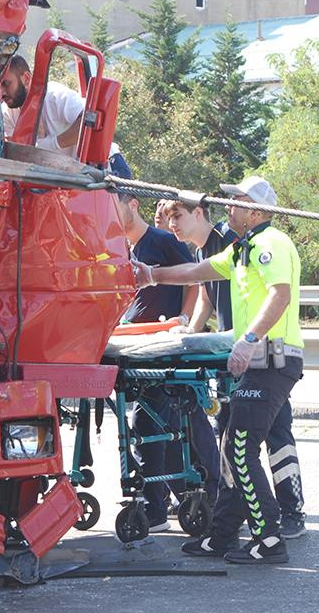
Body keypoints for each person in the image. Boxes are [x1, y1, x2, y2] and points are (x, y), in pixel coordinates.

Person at [134, 175, 303, 565]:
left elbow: (280, 294)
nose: (229, 207)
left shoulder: (271, 243)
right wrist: (153, 274)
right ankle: (223, 535)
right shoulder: (242, 248)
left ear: (257, 210)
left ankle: (269, 539)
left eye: (237, 202)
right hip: (257, 361)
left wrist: (248, 339)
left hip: (271, 359)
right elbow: (198, 273)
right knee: (232, 449)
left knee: (239, 448)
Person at [108, 155, 211, 531]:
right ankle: (167, 496)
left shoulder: (163, 241)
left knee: (156, 423)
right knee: (146, 424)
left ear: (132, 204)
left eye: (113, 205)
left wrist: (184, 321)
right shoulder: (116, 246)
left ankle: (164, 501)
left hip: (164, 346)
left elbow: (194, 279)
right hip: (134, 346)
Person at [0, 55, 84, 156]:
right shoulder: (6, 113)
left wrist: (53, 144)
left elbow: (87, 123)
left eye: (6, 84)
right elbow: (15, 153)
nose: (1, 93)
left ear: (26, 78)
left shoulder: (55, 96)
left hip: (76, 170)